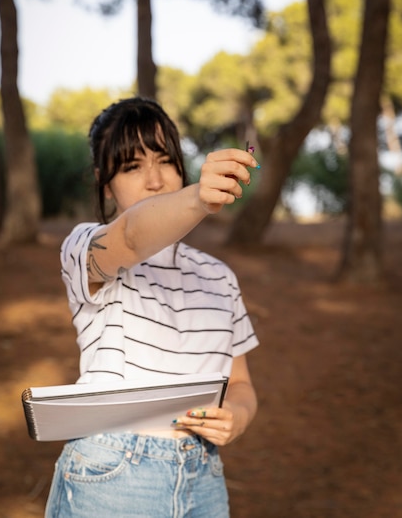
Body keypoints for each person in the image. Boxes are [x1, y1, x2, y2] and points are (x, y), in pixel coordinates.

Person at [45, 96, 259, 518]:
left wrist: (237, 416)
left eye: (165, 160)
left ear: (181, 166)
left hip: (204, 478)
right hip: (111, 472)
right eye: (131, 166)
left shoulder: (219, 276)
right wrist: (199, 199)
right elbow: (131, 235)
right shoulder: (86, 247)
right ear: (105, 184)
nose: (154, 179)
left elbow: (241, 384)